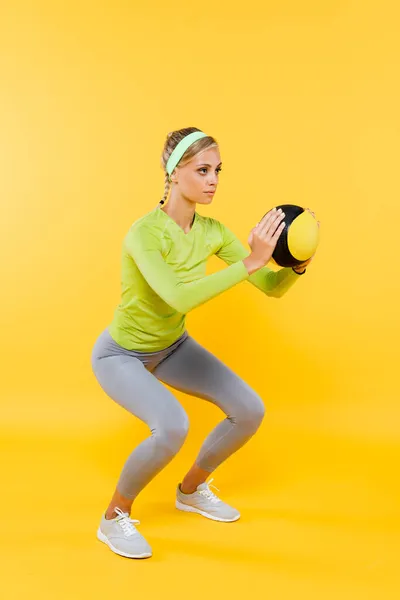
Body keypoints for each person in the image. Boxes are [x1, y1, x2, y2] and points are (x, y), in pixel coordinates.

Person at [91, 127, 316, 560]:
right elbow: (176, 295)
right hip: (120, 354)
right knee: (173, 426)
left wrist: (295, 265)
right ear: (175, 174)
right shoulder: (144, 234)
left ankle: (191, 490)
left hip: (173, 346)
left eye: (217, 170)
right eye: (202, 169)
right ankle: (113, 516)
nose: (213, 179)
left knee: (250, 410)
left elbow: (270, 285)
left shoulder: (211, 231)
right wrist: (251, 260)